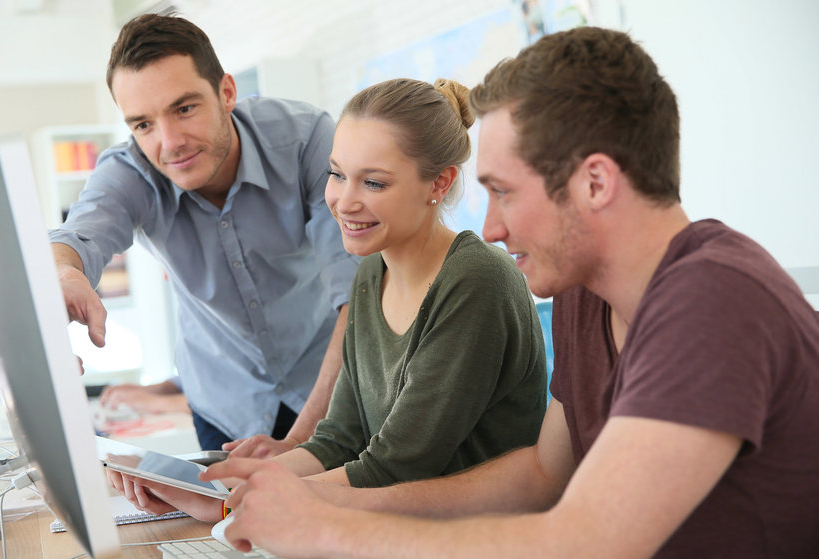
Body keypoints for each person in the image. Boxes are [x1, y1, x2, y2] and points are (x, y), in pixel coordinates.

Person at [195, 26, 819, 558]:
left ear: (595, 183)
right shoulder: (585, 294)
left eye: (505, 192)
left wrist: (330, 525)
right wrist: (297, 495)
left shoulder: (713, 301)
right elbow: (543, 475)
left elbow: (588, 539)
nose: (490, 227)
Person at [107, 78, 548, 510]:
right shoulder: (371, 273)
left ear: (438, 183)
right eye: (337, 174)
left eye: (373, 183)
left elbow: (397, 466)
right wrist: (213, 489)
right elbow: (339, 438)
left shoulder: (475, 281)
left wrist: (238, 504)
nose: (343, 201)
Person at [49, 13, 360, 451]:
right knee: (223, 520)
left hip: (329, 384)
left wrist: (302, 444)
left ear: (227, 92)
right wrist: (66, 276)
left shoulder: (306, 140)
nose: (169, 141)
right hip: (223, 405)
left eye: (184, 108)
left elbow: (359, 294)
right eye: (143, 124)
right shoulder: (130, 172)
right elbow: (77, 235)